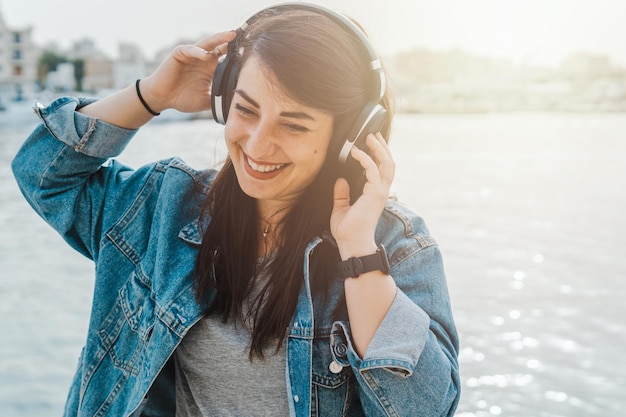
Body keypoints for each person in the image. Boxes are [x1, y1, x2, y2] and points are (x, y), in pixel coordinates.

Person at [12, 3, 460, 416]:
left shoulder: (396, 246)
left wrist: (359, 255)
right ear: (224, 96)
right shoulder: (165, 205)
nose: (257, 144)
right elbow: (41, 175)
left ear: (349, 138)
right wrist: (152, 95)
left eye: (294, 124)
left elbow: (425, 409)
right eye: (246, 109)